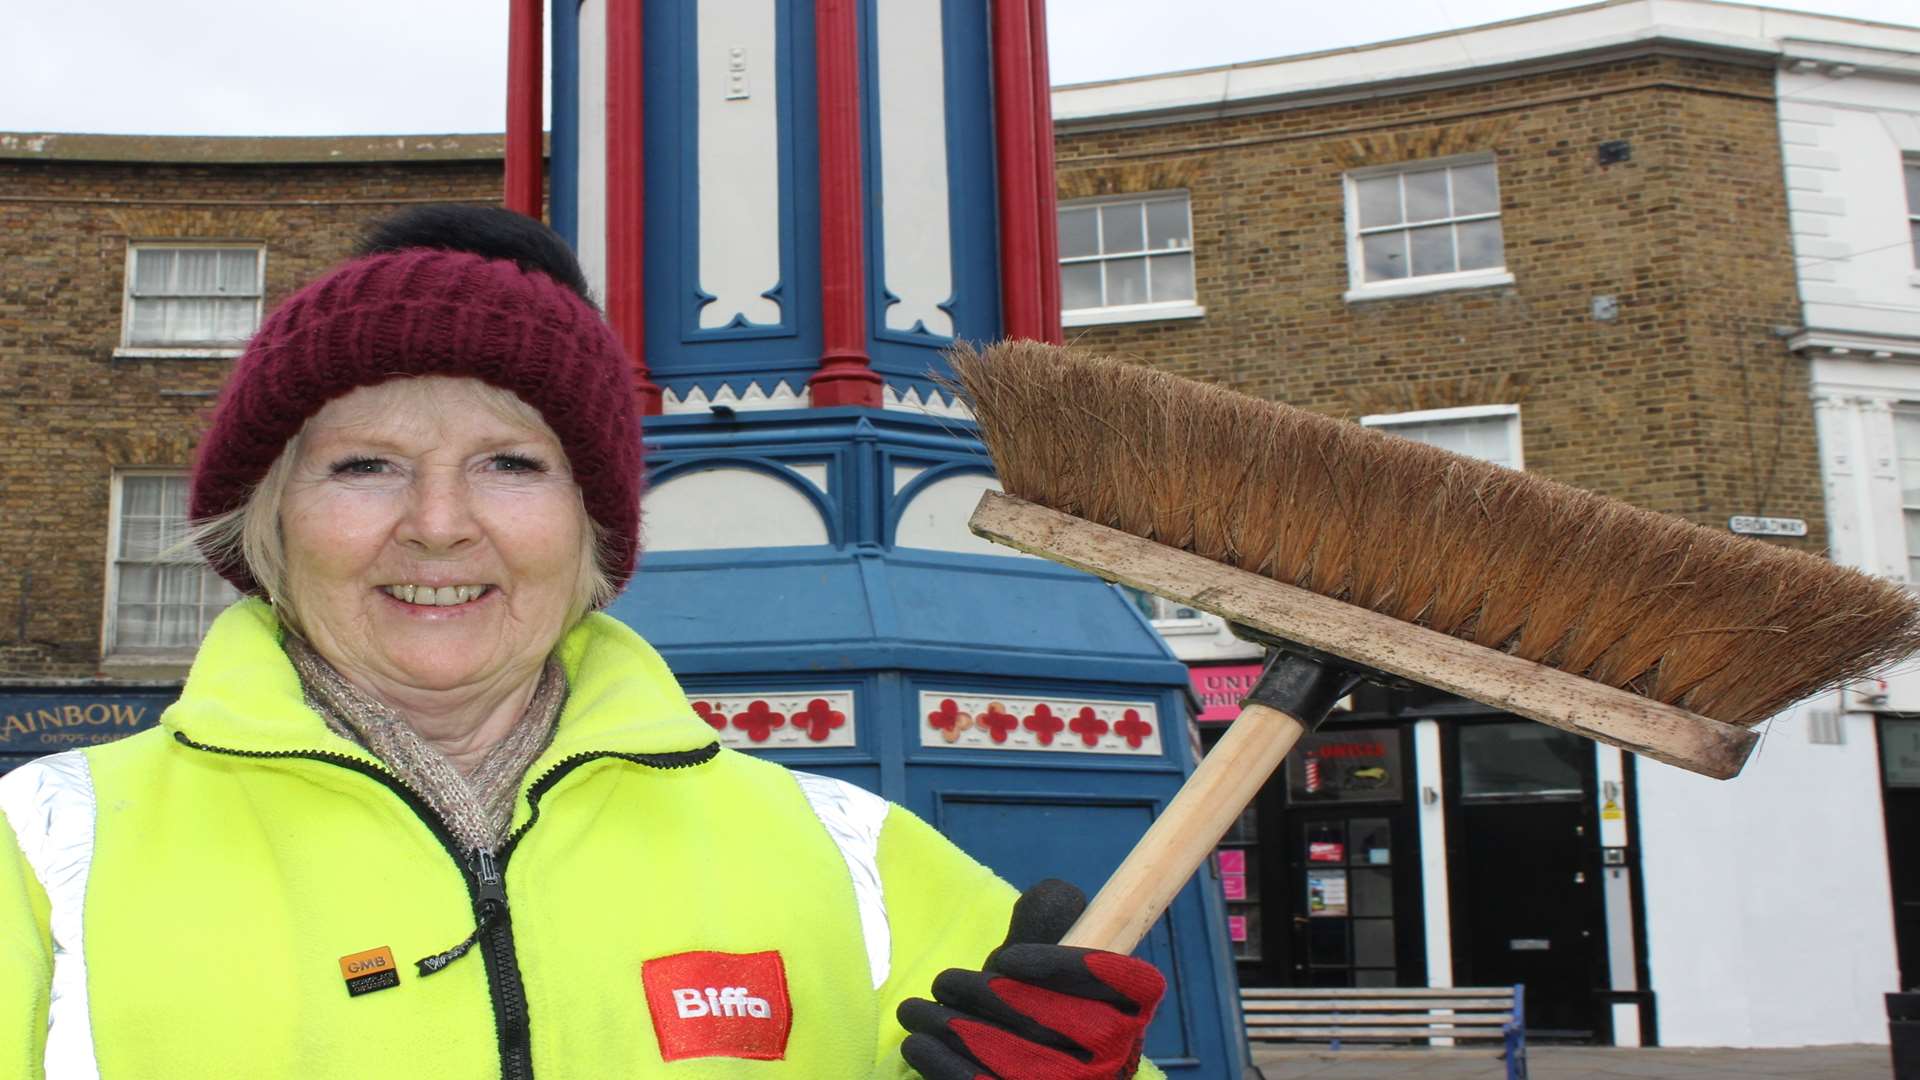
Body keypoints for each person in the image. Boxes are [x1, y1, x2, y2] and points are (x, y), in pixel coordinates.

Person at [0, 206, 1166, 1079]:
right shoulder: (41, 857)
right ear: (268, 523)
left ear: (591, 526)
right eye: (365, 465)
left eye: (511, 463)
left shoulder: (850, 855)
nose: (440, 524)